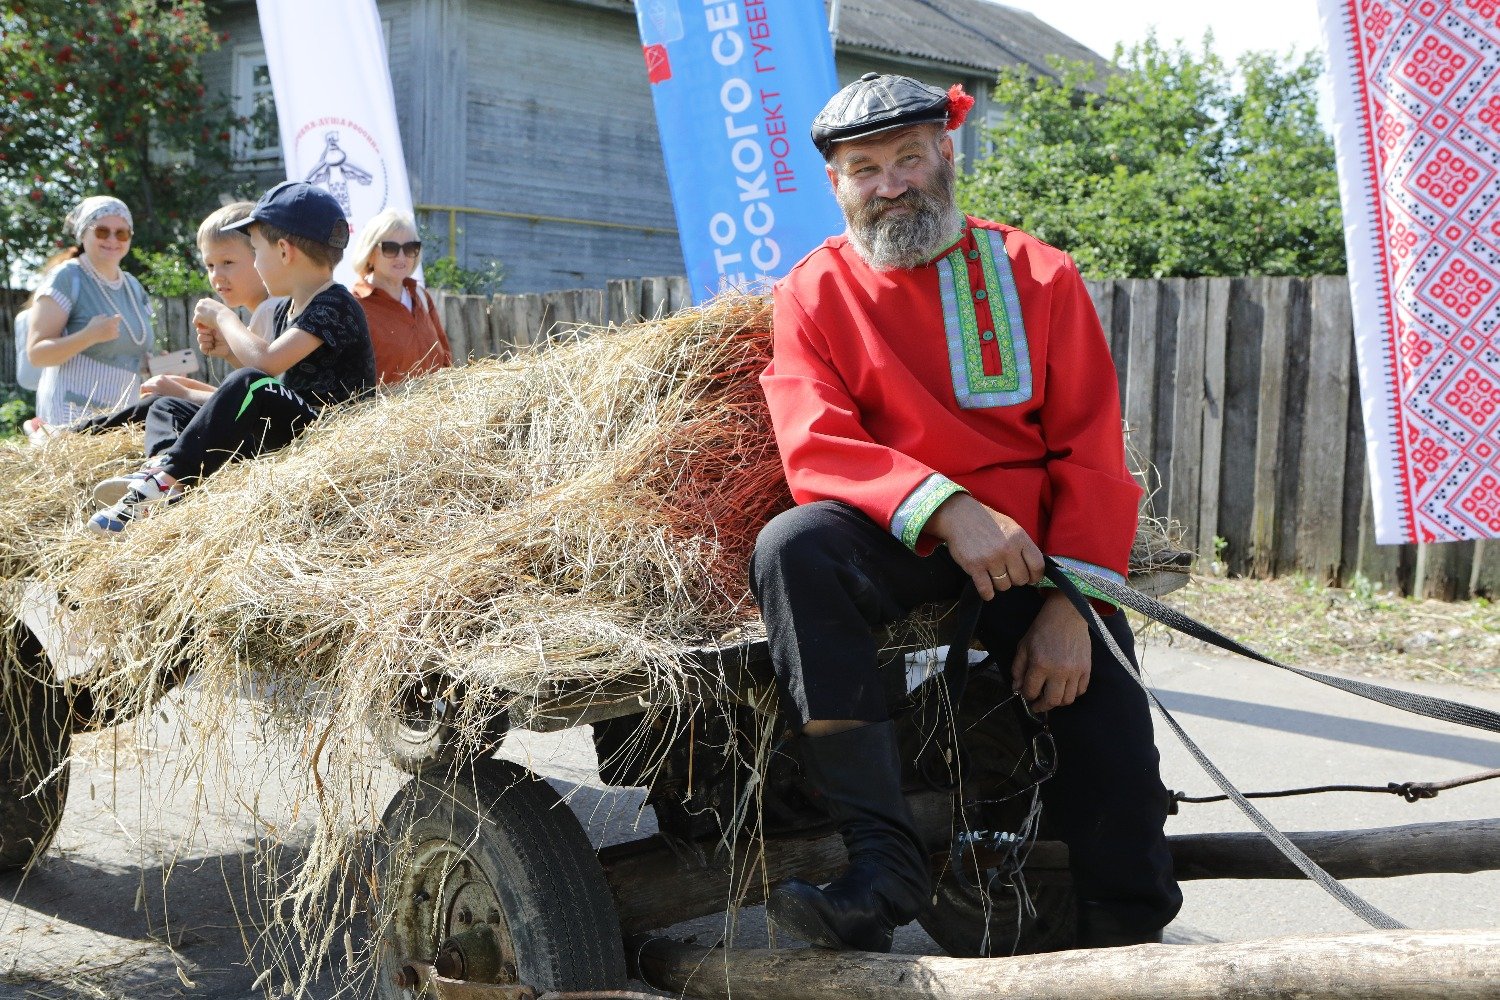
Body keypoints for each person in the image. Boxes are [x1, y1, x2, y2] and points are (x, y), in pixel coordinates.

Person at [751, 74, 1182, 953]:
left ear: (946, 153)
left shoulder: (1039, 273)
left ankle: (1129, 945)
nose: (891, 183)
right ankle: (884, 862)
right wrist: (947, 510)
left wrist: (1075, 606)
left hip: (1039, 551)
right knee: (793, 547)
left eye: (908, 157)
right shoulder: (810, 295)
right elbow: (816, 442)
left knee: (1114, 756)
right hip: (900, 537)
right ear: (836, 184)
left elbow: (1092, 450)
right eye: (864, 168)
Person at [87, 181, 375, 535]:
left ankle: (167, 482)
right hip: (290, 427)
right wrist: (227, 350)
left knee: (249, 383)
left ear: (284, 251)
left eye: (255, 251)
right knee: (167, 406)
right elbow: (271, 378)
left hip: (328, 433)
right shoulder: (289, 307)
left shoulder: (335, 303)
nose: (255, 262)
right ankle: (163, 471)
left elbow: (266, 367)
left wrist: (224, 317)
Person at [85, 202, 282, 506]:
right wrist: (228, 356)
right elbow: (247, 392)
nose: (217, 276)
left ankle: (163, 473)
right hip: (259, 432)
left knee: (165, 404)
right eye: (210, 265)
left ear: (261, 256)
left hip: (265, 444)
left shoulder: (271, 310)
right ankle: (84, 437)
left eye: (228, 262)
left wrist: (184, 392)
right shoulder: (264, 312)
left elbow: (257, 399)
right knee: (162, 398)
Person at [24, 196, 155, 431]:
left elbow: (126, 351)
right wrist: (88, 336)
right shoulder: (67, 278)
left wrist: (152, 363)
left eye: (122, 233)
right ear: (84, 234)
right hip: (72, 419)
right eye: (102, 232)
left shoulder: (133, 287)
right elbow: (36, 354)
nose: (113, 240)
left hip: (122, 420)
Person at [349, 209, 452, 383]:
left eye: (410, 248)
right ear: (370, 253)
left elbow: (446, 360)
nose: (401, 257)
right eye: (391, 248)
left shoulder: (421, 296)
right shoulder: (354, 305)